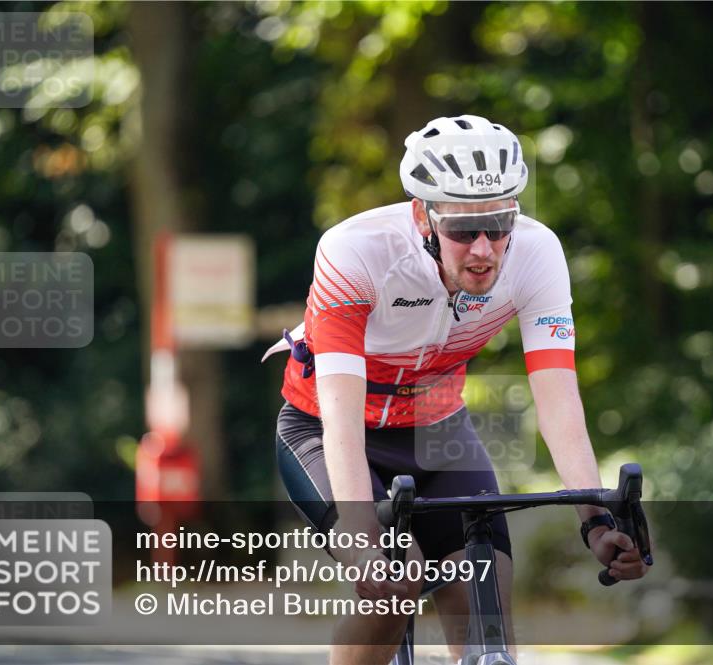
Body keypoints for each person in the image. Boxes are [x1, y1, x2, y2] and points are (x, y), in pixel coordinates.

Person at [267, 115, 649, 665]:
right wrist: (360, 537)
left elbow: (559, 400)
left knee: (485, 602)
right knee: (394, 588)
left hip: (438, 428)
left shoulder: (538, 253)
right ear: (423, 215)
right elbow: (341, 417)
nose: (485, 250)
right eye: (464, 230)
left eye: (498, 225)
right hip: (327, 430)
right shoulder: (355, 253)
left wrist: (595, 519)